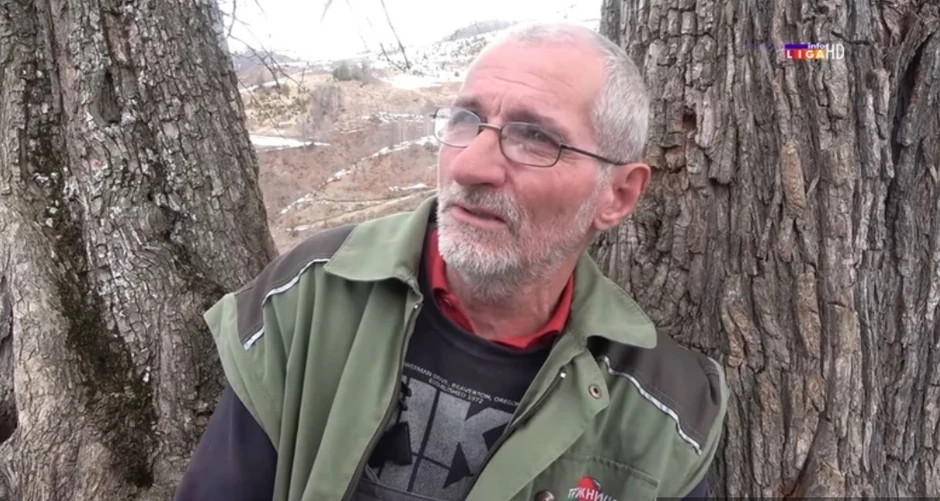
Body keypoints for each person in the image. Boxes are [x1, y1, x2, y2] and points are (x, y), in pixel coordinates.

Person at [175, 21, 728, 501]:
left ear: (617, 195)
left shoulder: (665, 413)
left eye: (535, 138)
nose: (470, 167)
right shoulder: (313, 294)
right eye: (466, 120)